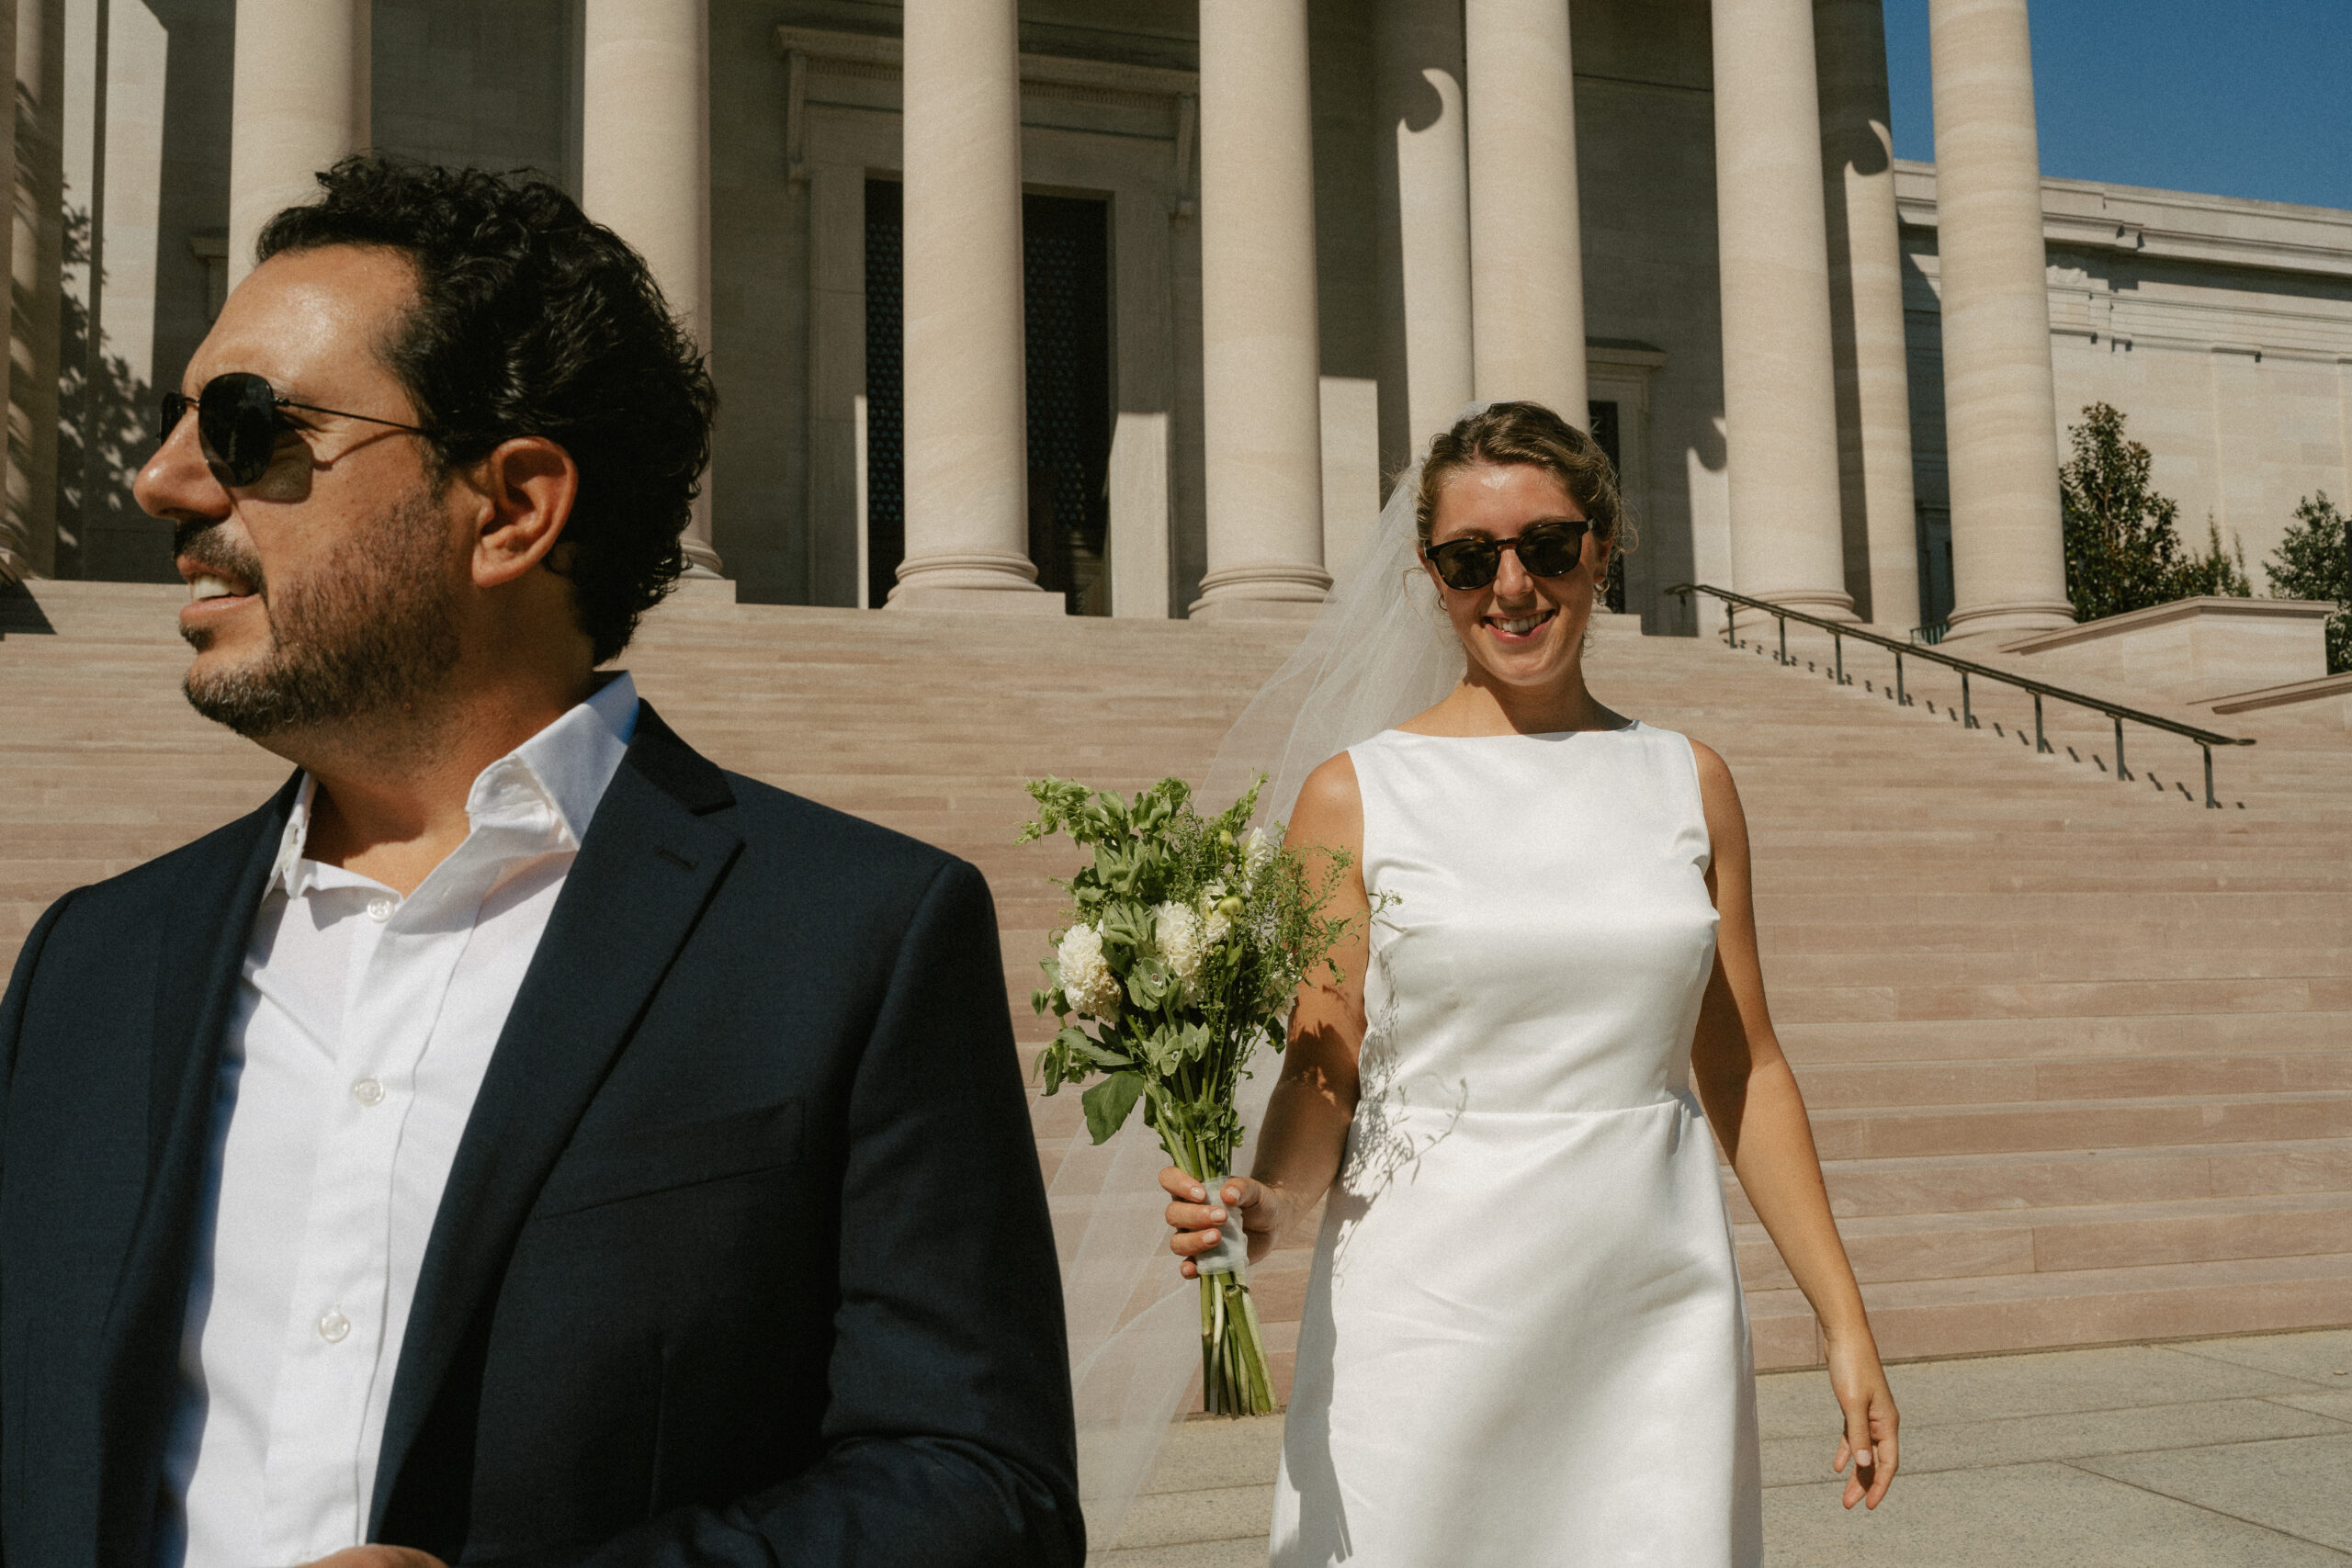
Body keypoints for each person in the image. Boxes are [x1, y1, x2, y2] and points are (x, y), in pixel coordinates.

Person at [0, 157, 1081, 1568]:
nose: (159, 482)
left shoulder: (849, 937)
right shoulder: (91, 957)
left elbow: (978, 1488)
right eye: (173, 422)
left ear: (510, 505)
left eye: (245, 425)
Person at [1161, 401, 1899, 1564]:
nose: (1512, 585)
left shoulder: (1688, 781)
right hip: (1429, 1318)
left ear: (1601, 546)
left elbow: (1743, 1066)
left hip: (1650, 1313)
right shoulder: (1353, 795)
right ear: (1432, 575)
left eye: (1546, 547)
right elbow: (1322, 1076)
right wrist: (1261, 1210)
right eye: (1471, 559)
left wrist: (1842, 1319)